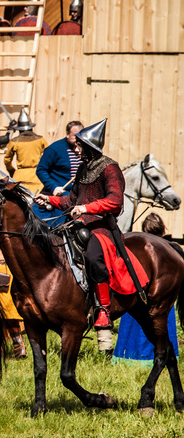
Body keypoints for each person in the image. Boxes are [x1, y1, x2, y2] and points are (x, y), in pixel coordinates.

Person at [34, 118, 150, 356]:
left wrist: (87, 209)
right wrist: (50, 200)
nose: (75, 149)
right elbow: (71, 200)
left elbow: (116, 201)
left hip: (101, 227)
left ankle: (104, 310)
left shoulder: (110, 167)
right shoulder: (83, 169)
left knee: (94, 255)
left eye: (79, 146)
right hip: (77, 224)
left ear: (89, 147)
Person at [112, 213, 180, 365]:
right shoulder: (168, 251)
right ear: (162, 230)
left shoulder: (136, 250)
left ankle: (129, 356)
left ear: (144, 229)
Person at [34, 121, 83, 225]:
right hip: (60, 194)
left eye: (81, 135)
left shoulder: (85, 149)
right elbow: (41, 170)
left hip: (80, 195)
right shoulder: (54, 149)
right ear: (67, 134)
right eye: (75, 135)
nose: (78, 138)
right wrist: (53, 187)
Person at [4, 108, 46, 194]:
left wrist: (12, 170)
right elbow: (50, 155)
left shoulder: (14, 141)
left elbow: (7, 160)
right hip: (37, 175)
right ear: (31, 128)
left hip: (20, 176)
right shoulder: (40, 140)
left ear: (19, 129)